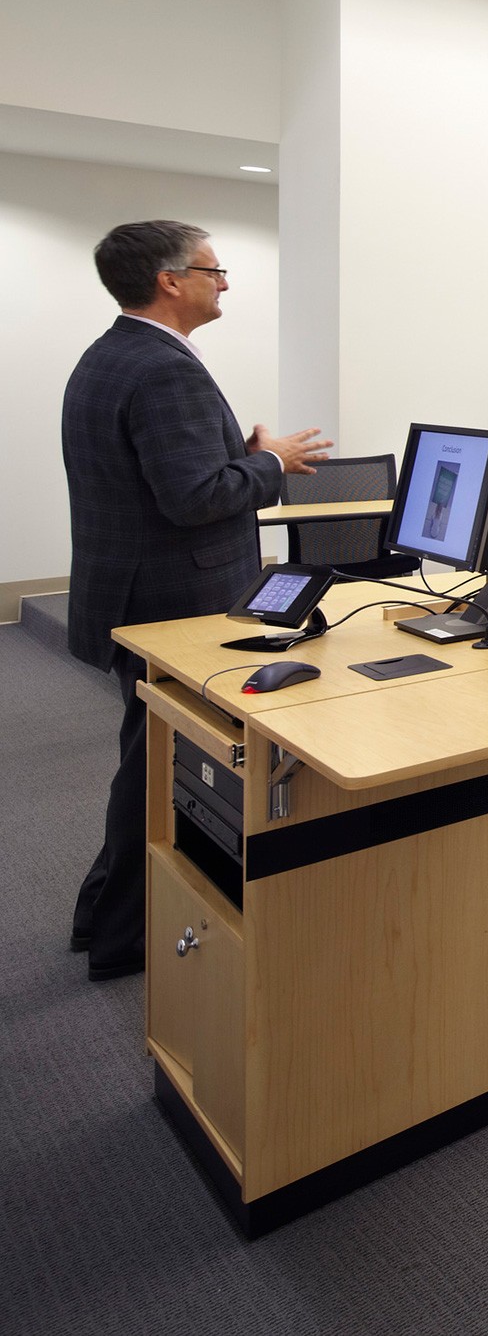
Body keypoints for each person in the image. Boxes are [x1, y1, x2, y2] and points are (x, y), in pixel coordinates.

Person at [62, 221, 331, 981]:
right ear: (169, 281)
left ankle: (101, 917)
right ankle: (119, 936)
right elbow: (192, 498)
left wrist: (242, 458)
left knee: (142, 760)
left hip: (133, 589)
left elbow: (164, 479)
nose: (224, 283)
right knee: (154, 767)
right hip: (172, 599)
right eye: (214, 271)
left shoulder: (113, 354)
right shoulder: (162, 369)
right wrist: (269, 464)